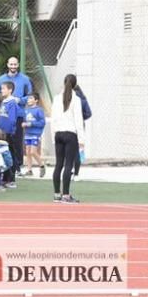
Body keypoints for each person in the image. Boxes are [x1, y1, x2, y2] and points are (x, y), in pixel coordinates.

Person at [0, 56, 32, 181]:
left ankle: (17, 166)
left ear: (18, 65)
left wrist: (19, 100)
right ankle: (5, 169)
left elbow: (30, 96)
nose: (13, 66)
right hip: (4, 117)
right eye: (11, 64)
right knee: (4, 143)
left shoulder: (25, 79)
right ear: (7, 64)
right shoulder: (1, 80)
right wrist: (4, 101)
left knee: (17, 143)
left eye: (15, 64)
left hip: (18, 115)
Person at [51, 74, 85, 204]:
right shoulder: (76, 100)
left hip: (58, 133)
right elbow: (78, 120)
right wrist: (81, 140)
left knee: (58, 164)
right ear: (75, 85)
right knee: (68, 164)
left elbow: (53, 118)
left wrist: (54, 135)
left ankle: (56, 194)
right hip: (70, 134)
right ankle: (66, 194)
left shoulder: (56, 98)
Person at [0, 82, 19, 188]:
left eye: (4, 88)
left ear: (10, 90)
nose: (1, 90)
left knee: (9, 156)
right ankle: (4, 178)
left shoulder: (12, 103)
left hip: (8, 134)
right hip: (1, 134)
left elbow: (12, 119)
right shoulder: (3, 102)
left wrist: (9, 132)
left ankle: (11, 179)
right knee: (1, 155)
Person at [22, 93, 46, 177]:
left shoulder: (39, 110)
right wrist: (23, 124)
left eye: (31, 98)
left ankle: (42, 165)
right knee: (28, 152)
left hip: (35, 134)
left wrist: (30, 124)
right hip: (27, 133)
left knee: (33, 152)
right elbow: (25, 120)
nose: (28, 100)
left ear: (36, 100)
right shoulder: (26, 110)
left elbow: (42, 123)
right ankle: (29, 170)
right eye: (28, 99)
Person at [71, 82, 92, 179]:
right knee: (78, 150)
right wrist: (81, 117)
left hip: (69, 125)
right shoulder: (83, 99)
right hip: (80, 126)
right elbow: (88, 113)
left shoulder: (69, 99)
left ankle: (69, 169)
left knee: (69, 149)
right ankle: (76, 173)